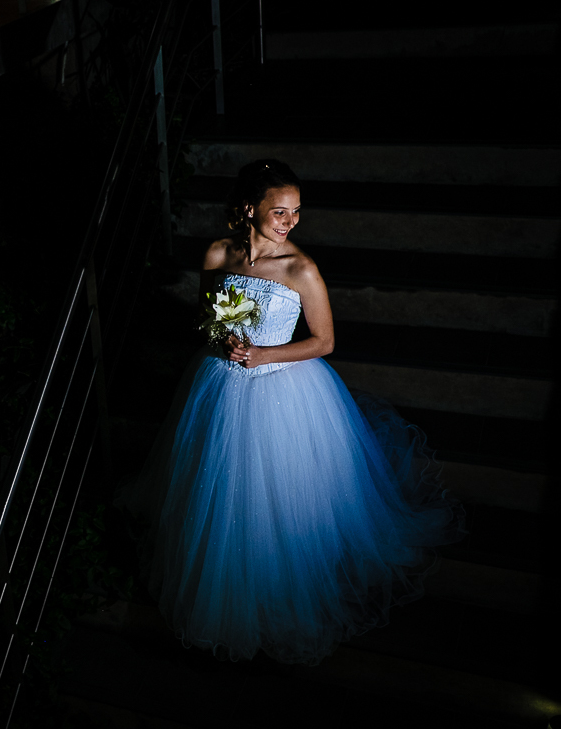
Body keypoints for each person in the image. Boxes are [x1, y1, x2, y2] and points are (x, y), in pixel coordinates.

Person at [117, 159, 465, 666]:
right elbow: (206, 316)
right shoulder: (219, 252)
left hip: (283, 389)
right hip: (220, 382)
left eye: (296, 212)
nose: (290, 221)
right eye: (279, 211)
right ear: (247, 209)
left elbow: (324, 342)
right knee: (221, 493)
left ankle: (282, 593)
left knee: (281, 497)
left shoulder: (301, 269)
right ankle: (228, 586)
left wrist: (262, 354)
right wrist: (223, 335)